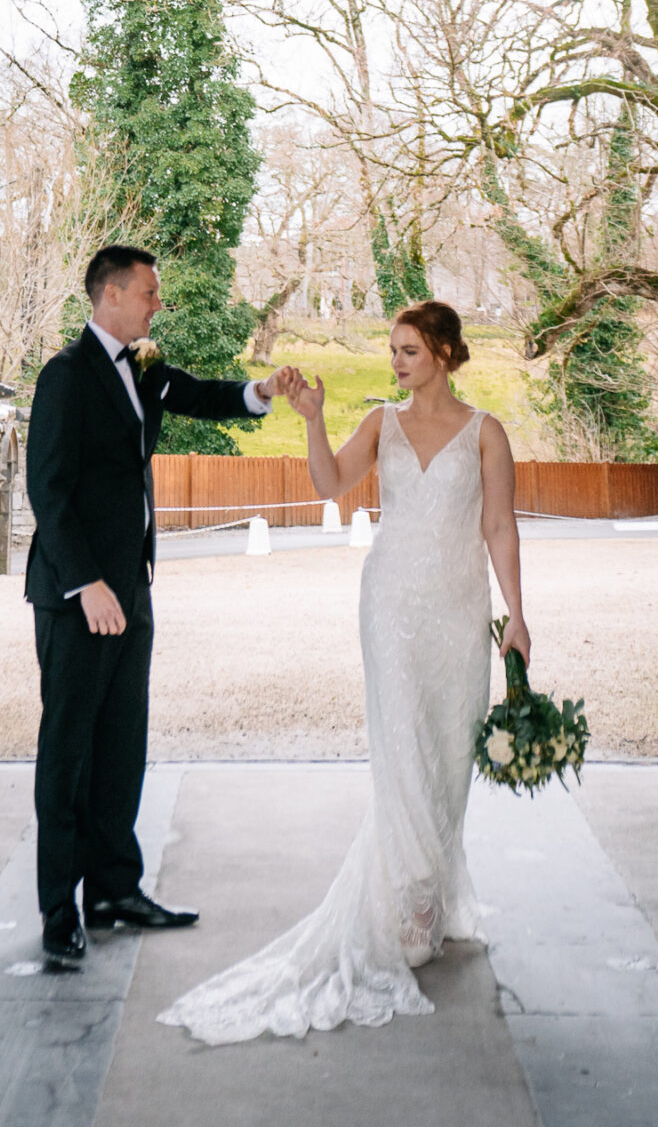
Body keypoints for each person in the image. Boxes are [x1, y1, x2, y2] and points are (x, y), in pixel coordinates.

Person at [158, 298, 529, 1043]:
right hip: (390, 606)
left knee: (450, 752)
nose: (396, 363)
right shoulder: (380, 424)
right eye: (392, 350)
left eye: (410, 352)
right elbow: (329, 486)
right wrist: (312, 418)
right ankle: (407, 911)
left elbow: (497, 524)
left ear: (446, 355)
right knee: (401, 752)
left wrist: (516, 614)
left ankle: (431, 894)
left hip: (458, 609)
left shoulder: (486, 432)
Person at [24, 242, 298, 972]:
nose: (156, 304)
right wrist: (88, 585)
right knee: (68, 753)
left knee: (121, 746)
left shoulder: (143, 369)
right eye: (148, 292)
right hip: (77, 597)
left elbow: (201, 394)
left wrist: (262, 390)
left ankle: (114, 890)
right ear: (110, 295)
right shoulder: (63, 377)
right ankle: (59, 908)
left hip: (131, 590)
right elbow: (46, 493)